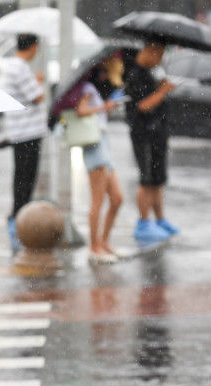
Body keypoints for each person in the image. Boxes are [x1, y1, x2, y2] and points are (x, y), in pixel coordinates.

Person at [72, 56, 126, 264]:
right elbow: (81, 110)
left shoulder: (94, 88)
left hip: (103, 142)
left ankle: (104, 242)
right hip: (94, 146)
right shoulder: (86, 87)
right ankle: (94, 247)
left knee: (117, 198)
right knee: (98, 200)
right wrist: (104, 107)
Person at [124, 41, 178, 246]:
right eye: (159, 54)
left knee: (157, 179)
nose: (160, 59)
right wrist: (163, 91)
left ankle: (160, 220)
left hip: (158, 132)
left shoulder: (152, 71)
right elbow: (143, 106)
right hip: (143, 133)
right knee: (146, 179)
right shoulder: (134, 74)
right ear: (149, 51)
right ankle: (143, 222)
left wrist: (162, 86)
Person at [0, 33, 48, 253]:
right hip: (26, 133)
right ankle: (18, 221)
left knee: (23, 177)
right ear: (33, 47)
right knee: (25, 179)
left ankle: (18, 219)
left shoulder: (14, 66)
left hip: (22, 132)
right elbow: (37, 96)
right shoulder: (19, 67)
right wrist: (39, 83)